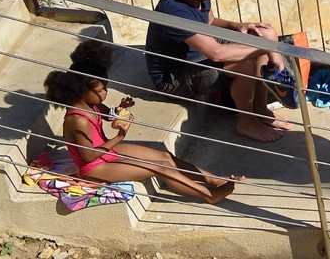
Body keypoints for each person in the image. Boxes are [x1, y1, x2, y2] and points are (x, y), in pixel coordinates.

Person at [143, 0, 290, 143]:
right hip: (174, 77)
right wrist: (269, 48)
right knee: (244, 64)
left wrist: (238, 26)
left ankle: (260, 108)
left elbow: (210, 21)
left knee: (260, 33)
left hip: (199, 54)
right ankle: (246, 122)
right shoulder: (175, 13)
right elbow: (216, 53)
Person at [43, 66, 240, 203]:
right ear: (81, 90)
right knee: (160, 167)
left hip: (107, 153)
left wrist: (121, 109)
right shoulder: (78, 119)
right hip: (95, 167)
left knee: (165, 157)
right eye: (101, 89)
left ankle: (211, 179)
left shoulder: (91, 104)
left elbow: (108, 114)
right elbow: (88, 155)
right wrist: (120, 136)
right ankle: (208, 194)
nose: (105, 92)